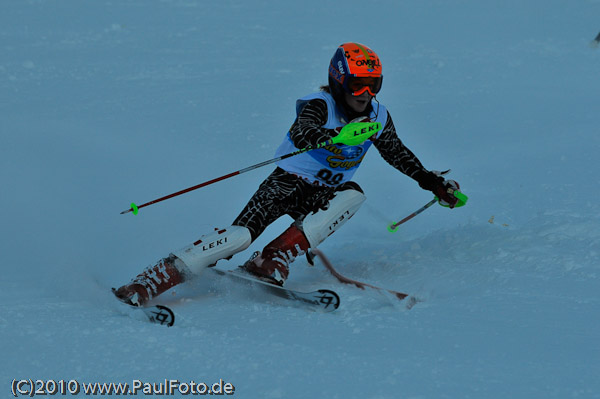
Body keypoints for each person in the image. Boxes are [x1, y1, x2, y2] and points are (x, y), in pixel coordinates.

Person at [113, 42, 461, 307]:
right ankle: (149, 281)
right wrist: (332, 136)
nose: (366, 95)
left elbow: (396, 152)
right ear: (339, 82)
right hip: (285, 184)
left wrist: (432, 183)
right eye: (358, 86)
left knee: (353, 194)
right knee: (238, 237)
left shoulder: (377, 117)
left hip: (324, 193)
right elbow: (302, 131)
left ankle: (270, 259)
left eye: (374, 85)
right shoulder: (320, 104)